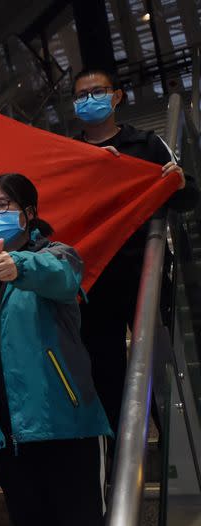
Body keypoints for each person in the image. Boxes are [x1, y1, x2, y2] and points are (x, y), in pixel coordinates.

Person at [0, 173, 112, 526]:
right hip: (7, 436)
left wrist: (21, 266)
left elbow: (61, 278)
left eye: (3, 205)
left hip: (63, 427)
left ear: (28, 212)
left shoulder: (57, 255)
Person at [72, 68, 199, 432]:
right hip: (91, 278)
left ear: (116, 96)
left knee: (160, 360)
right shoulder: (69, 151)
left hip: (143, 271)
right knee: (103, 365)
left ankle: (176, 435)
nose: (89, 99)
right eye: (81, 95)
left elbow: (187, 194)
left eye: (97, 91)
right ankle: (116, 446)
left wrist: (171, 182)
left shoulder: (145, 144)